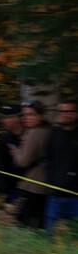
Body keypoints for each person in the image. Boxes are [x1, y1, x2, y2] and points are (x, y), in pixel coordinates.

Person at [10, 101, 50, 228]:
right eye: (24, 115)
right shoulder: (49, 131)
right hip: (44, 186)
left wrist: (15, 151)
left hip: (30, 185)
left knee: (23, 226)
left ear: (41, 116)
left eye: (31, 115)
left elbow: (23, 161)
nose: (26, 118)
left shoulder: (34, 133)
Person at [43, 99, 78, 231]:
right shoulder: (54, 133)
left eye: (68, 111)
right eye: (61, 111)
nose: (64, 114)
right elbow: (48, 158)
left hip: (75, 196)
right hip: (55, 195)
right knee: (51, 234)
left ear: (76, 114)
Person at [0, 104, 24, 200]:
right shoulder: (3, 140)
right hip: (11, 189)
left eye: (6, 118)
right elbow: (1, 166)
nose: (2, 121)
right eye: (2, 118)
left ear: (17, 118)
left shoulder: (30, 136)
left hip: (30, 187)